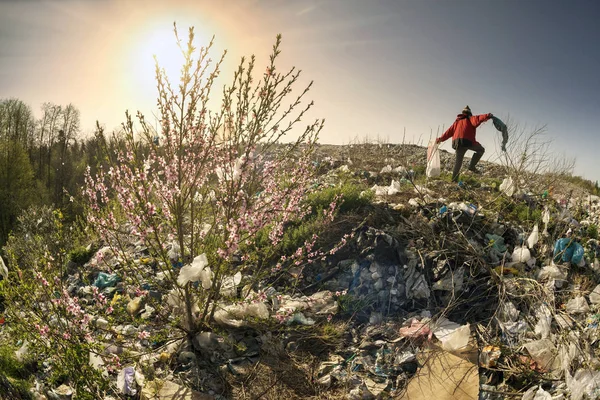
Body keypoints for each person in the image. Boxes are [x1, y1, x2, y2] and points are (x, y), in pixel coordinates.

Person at [436, 105, 493, 182]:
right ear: (469, 113)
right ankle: (472, 166)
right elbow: (478, 118)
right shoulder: (469, 118)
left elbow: (448, 132)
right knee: (481, 150)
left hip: (458, 142)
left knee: (458, 162)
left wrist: (440, 139)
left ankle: (454, 180)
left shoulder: (456, 122)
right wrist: (487, 116)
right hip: (467, 141)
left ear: (462, 113)